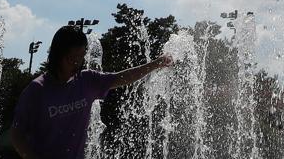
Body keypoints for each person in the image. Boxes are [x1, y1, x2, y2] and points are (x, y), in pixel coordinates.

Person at [9, 24, 173, 159]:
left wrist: (156, 64)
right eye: (72, 58)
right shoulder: (37, 90)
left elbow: (122, 77)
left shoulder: (87, 80)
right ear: (57, 55)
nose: (77, 64)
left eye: (81, 57)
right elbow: (16, 135)